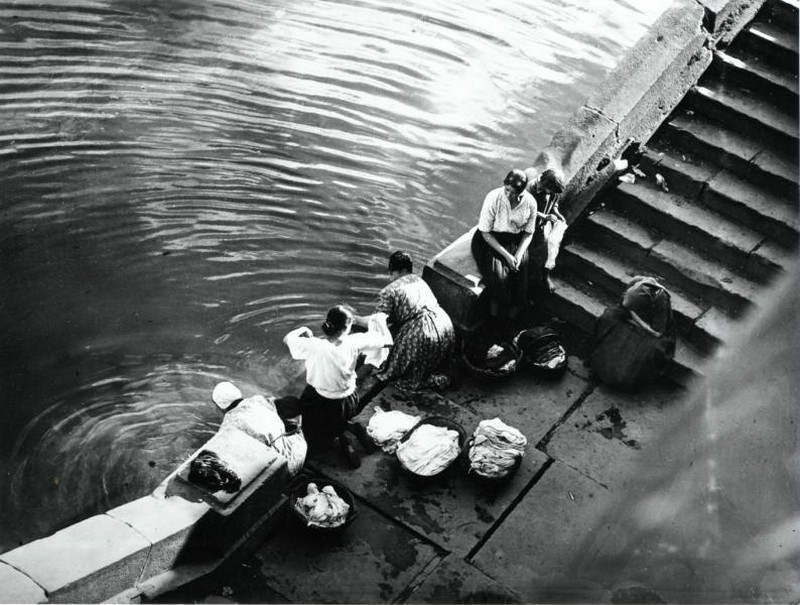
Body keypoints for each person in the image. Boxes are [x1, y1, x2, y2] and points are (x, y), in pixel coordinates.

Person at [282, 305, 386, 467]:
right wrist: (380, 321)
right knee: (337, 419)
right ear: (347, 327)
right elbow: (386, 341)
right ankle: (347, 432)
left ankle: (340, 438)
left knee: (312, 426)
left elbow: (288, 339)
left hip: (318, 399)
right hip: (347, 400)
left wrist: (303, 329)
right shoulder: (355, 341)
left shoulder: (314, 345)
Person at [357, 250, 456, 392]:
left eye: (391, 273)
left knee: (398, 378)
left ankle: (433, 380)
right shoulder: (419, 280)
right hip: (445, 325)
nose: (390, 277)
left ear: (396, 271)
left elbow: (376, 323)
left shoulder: (389, 290)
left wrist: (353, 318)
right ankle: (440, 375)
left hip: (421, 331)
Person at [471, 168, 538, 333]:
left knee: (521, 279)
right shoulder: (493, 198)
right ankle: (495, 323)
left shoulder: (530, 203)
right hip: (491, 241)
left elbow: (529, 233)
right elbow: (485, 232)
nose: (509, 195)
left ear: (522, 191)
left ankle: (511, 322)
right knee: (499, 280)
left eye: (514, 192)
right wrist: (508, 256)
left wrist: (519, 254)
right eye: (507, 190)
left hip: (516, 241)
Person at [588, 276, 676, 391]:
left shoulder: (661, 299)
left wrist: (634, 318)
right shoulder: (636, 283)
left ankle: (621, 378)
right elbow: (624, 304)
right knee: (608, 319)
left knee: (643, 350)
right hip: (632, 313)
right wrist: (629, 311)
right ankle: (600, 365)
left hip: (650, 327)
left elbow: (657, 332)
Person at [525, 166, 566, 294]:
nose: (549, 193)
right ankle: (528, 281)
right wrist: (545, 216)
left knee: (548, 252)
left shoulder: (552, 192)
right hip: (527, 226)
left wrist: (558, 215)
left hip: (541, 226)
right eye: (548, 190)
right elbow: (525, 210)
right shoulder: (530, 189)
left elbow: (554, 205)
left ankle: (544, 276)